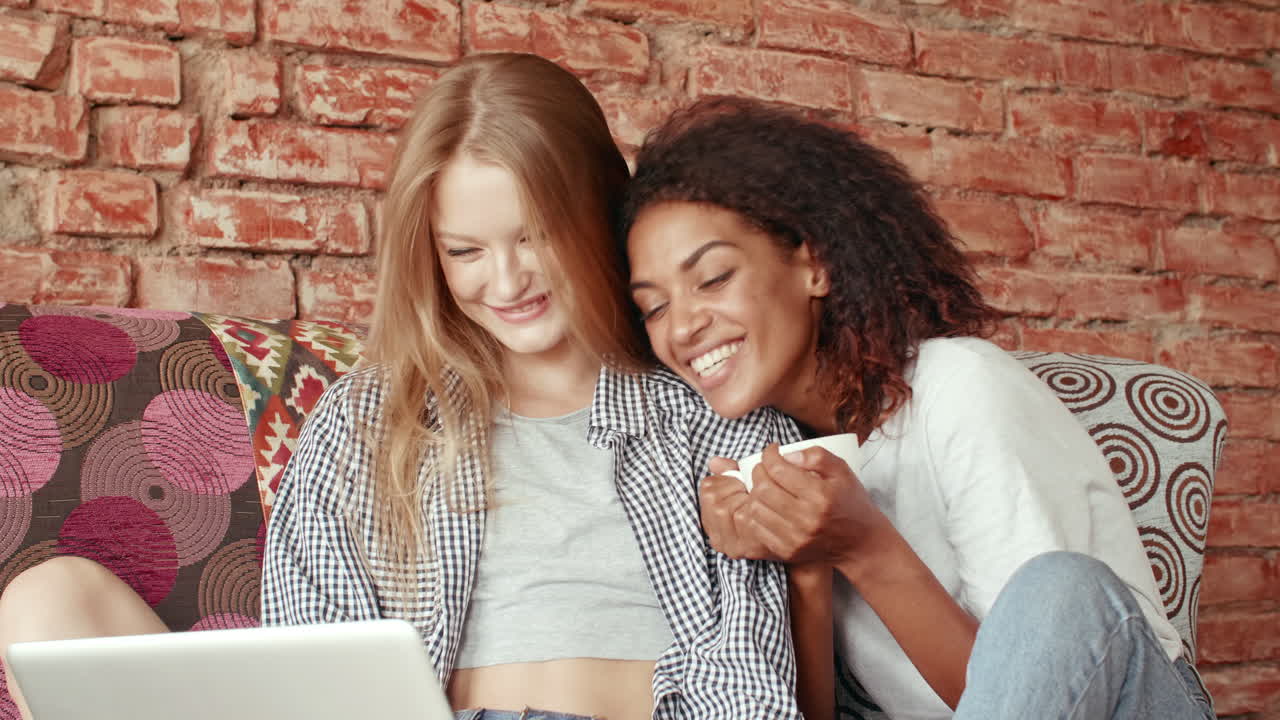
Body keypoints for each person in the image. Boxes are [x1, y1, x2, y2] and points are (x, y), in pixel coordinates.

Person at [619, 97, 1216, 720]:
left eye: (713, 278)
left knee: (1059, 590)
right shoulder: (773, 458)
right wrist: (801, 564)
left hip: (1130, 700)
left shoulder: (961, 386)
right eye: (653, 307)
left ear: (814, 265)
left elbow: (1045, 678)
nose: (682, 326)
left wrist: (864, 548)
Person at [260, 55, 806, 720]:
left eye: (536, 237)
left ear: (602, 213)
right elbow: (318, 665)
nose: (509, 282)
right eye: (465, 252)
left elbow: (751, 673)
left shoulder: (713, 412)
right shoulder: (368, 420)